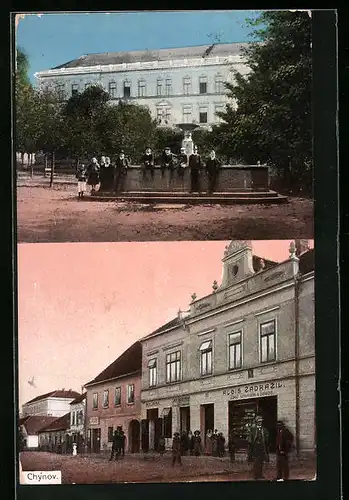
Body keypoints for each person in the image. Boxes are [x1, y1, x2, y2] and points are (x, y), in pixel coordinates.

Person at [250, 415, 269, 480]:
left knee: (261, 462)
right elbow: (250, 439)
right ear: (256, 422)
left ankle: (260, 475)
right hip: (255, 448)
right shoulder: (253, 429)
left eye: (261, 421)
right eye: (258, 421)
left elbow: (267, 439)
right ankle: (256, 475)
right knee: (256, 462)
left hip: (262, 448)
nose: (260, 422)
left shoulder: (264, 429)